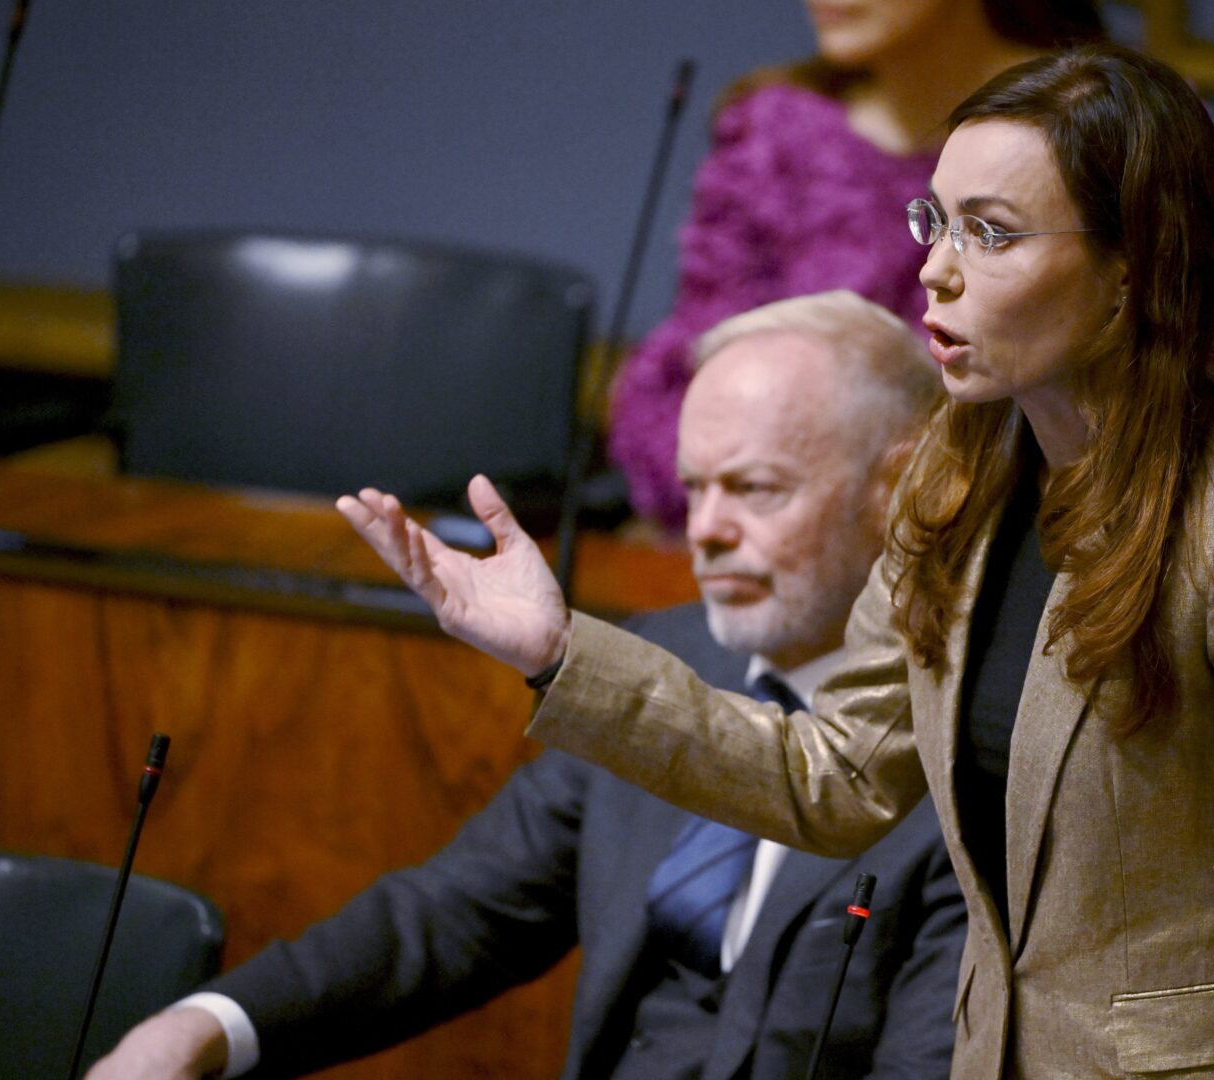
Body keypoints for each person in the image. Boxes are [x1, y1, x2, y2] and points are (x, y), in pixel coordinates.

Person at [340, 45, 1214, 1078]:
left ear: (1130, 271)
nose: (934, 270)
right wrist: (558, 651)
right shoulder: (963, 472)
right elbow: (836, 777)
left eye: (990, 234)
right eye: (935, 221)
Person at [87, 291, 961, 1080]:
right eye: (694, 489)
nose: (706, 530)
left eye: (754, 489)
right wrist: (203, 1026)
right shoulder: (658, 663)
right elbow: (457, 913)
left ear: (900, 488)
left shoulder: (969, 755)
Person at [608, 0, 1214, 532]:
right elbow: (688, 393)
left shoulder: (1123, 125)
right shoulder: (773, 135)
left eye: (991, 231)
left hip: (1086, 540)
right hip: (821, 562)